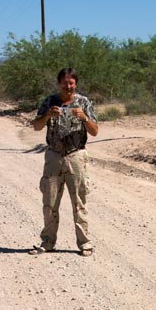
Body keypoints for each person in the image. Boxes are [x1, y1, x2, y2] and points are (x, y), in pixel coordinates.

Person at [30, 68, 98, 257]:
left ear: (75, 84)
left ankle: (85, 243)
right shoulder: (50, 102)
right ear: (59, 83)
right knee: (50, 202)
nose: (68, 86)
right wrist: (47, 116)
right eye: (65, 82)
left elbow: (94, 131)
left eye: (71, 83)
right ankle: (48, 242)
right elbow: (36, 126)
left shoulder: (83, 102)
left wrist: (84, 118)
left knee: (79, 202)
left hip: (76, 156)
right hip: (53, 155)